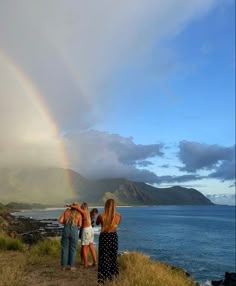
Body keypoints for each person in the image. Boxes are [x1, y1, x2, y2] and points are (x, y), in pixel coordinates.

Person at [96, 199, 121, 285]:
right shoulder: (118, 217)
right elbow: (116, 224)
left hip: (104, 238)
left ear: (105, 206)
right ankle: (113, 279)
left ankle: (103, 280)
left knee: (104, 259)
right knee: (113, 259)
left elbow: (97, 223)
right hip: (114, 237)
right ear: (115, 206)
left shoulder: (101, 216)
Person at [71, 202, 97, 267]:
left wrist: (69, 205)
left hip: (86, 230)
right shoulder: (88, 213)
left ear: (83, 207)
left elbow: (77, 208)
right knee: (91, 246)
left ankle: (85, 264)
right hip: (90, 229)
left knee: (84, 247)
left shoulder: (84, 212)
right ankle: (95, 262)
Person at [58, 202, 82, 271]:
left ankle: (63, 267)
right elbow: (80, 225)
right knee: (73, 249)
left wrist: (66, 223)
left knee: (64, 248)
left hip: (66, 230)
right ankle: (71, 266)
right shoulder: (79, 214)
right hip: (74, 231)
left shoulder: (66, 211)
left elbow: (60, 221)